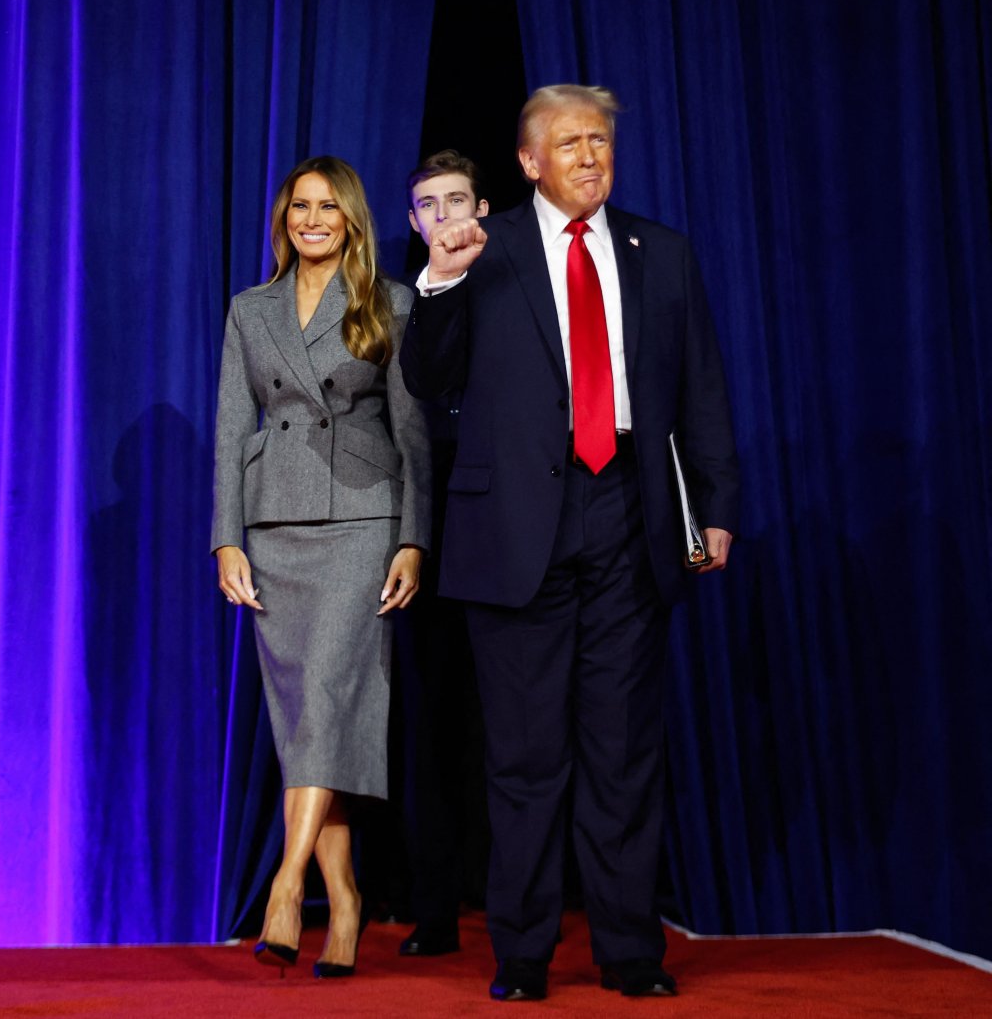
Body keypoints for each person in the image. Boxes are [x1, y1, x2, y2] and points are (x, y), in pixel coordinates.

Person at [400, 85, 740, 1001]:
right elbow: (428, 379)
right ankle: (521, 953)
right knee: (523, 756)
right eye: (569, 143)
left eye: (600, 141)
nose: (590, 157)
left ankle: (630, 950)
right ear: (526, 160)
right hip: (515, 528)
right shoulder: (485, 247)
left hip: (630, 515)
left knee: (623, 750)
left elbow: (702, 389)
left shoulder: (661, 254)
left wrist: (715, 507)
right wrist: (440, 279)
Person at [213, 156, 431, 979]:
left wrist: (414, 537)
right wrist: (226, 538)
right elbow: (233, 427)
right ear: (285, 219)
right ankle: (344, 902)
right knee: (310, 718)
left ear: (351, 221)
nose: (312, 220)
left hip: (362, 523)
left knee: (330, 701)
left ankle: (286, 882)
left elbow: (412, 433)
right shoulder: (249, 308)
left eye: (327, 208)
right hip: (274, 526)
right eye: (300, 207)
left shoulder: (391, 303)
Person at [390, 150, 493, 960]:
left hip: (514, 526)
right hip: (430, 524)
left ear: (484, 208)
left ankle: (512, 898)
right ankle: (432, 908)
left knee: (511, 721)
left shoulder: (527, 286)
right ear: (415, 223)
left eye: (459, 200)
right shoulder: (399, 305)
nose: (447, 214)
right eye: (430, 205)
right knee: (429, 722)